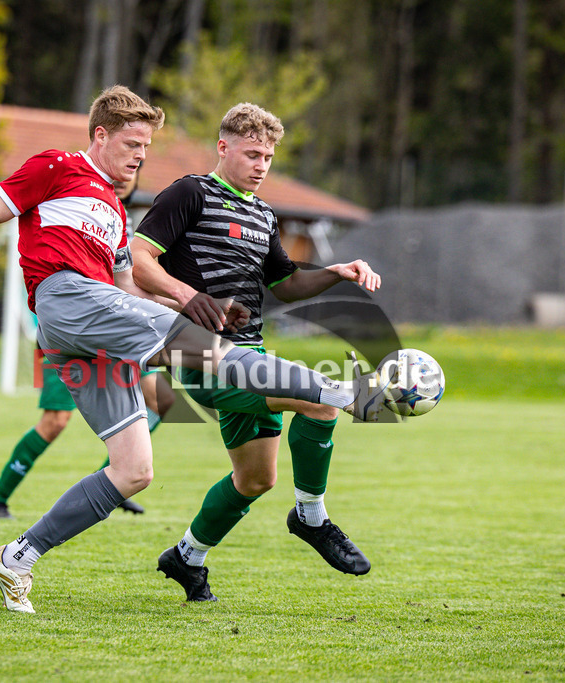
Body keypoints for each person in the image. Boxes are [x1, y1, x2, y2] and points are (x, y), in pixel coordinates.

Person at [0, 85, 391, 614]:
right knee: (208, 351)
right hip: (66, 298)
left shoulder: (116, 213)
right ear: (100, 135)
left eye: (146, 146)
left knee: (133, 471)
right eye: (133, 143)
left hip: (91, 328)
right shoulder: (56, 165)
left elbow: (128, 288)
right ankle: (347, 394)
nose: (141, 155)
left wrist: (176, 319)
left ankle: (17, 556)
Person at [131, 103, 381, 601]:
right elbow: (140, 261)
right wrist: (188, 298)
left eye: (268, 156)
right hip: (197, 353)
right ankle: (312, 517)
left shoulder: (264, 214)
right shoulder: (190, 193)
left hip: (249, 353)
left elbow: (284, 284)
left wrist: (336, 271)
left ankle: (186, 557)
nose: (261, 164)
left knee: (254, 479)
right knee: (321, 399)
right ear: (222, 148)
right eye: (251, 154)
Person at [0, 165, 175, 519]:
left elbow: (126, 285)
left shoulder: (121, 223)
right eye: (129, 153)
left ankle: (119, 478)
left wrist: (187, 302)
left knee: (165, 400)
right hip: (67, 334)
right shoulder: (72, 198)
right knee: (54, 422)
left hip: (111, 334)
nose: (131, 169)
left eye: (139, 162)